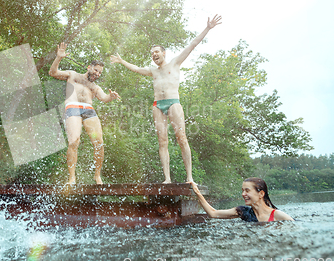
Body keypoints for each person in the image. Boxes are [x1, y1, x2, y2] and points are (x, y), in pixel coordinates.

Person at [110, 15, 222, 183]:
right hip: (157, 105)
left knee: (181, 137)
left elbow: (192, 45)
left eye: (157, 52)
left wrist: (207, 28)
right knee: (162, 141)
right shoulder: (153, 71)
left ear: (163, 53)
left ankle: (190, 177)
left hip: (173, 103)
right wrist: (121, 61)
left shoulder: (175, 64)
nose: (154, 55)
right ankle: (167, 178)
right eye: (152, 53)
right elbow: (136, 69)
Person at [49, 42, 121, 185]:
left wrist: (111, 97)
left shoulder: (94, 87)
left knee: (98, 142)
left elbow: (104, 98)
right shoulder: (73, 75)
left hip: (89, 112)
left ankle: (97, 176)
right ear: (89, 67)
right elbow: (53, 73)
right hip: (73, 108)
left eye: (100, 72)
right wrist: (58, 58)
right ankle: (72, 178)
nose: (97, 74)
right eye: (95, 70)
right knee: (74, 141)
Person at [189, 179, 294, 222]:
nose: (243, 194)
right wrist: (198, 193)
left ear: (261, 194)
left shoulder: (277, 216)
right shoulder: (243, 212)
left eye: (247, 190)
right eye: (242, 191)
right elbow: (213, 213)